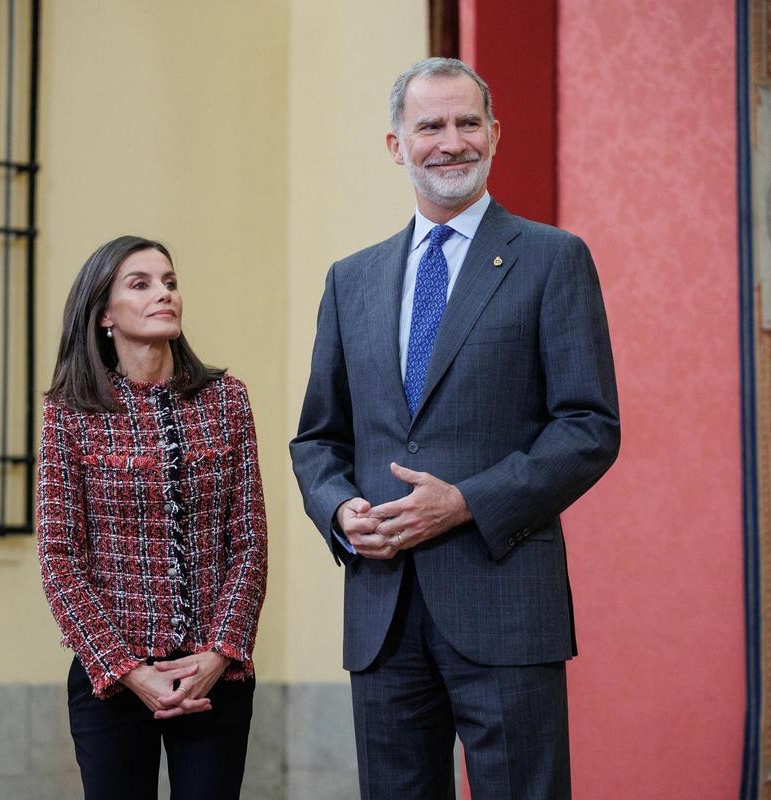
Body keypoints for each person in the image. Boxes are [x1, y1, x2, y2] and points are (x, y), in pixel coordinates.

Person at [290, 58, 619, 799]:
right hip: (382, 613)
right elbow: (317, 440)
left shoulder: (552, 260)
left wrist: (467, 500)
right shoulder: (351, 280)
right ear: (395, 144)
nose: (451, 141)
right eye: (429, 125)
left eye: (468, 123)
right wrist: (340, 513)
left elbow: (589, 426)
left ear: (495, 135)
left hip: (504, 602)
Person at [37, 235, 268, 800]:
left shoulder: (226, 399)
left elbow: (250, 544)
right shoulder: (70, 414)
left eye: (169, 282)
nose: (163, 294)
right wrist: (126, 669)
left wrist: (218, 653)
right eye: (139, 285)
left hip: (215, 678)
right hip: (113, 681)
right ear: (103, 316)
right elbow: (59, 558)